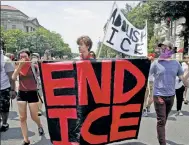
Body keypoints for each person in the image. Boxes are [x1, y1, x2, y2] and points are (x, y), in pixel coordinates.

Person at [150, 40, 188, 145]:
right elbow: (146, 75)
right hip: (158, 95)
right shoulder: (156, 63)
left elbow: (182, 79)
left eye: (165, 47)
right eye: (161, 47)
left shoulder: (176, 63)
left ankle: (160, 133)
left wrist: (188, 71)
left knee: (164, 119)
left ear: (171, 50)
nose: (163, 49)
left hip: (171, 96)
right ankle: (162, 142)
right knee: (161, 120)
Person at [12, 49, 44, 145]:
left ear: (29, 57)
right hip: (21, 93)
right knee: (22, 118)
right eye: (21, 56)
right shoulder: (18, 65)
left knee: (34, 116)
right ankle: (26, 140)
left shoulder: (33, 66)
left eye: (25, 56)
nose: (23, 58)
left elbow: (41, 75)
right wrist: (19, 67)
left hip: (32, 93)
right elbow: (13, 77)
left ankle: (39, 125)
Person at [0, 39, 16, 132]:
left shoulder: (6, 60)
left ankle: (5, 123)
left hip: (4, 88)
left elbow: (12, 78)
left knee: (4, 108)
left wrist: (13, 90)